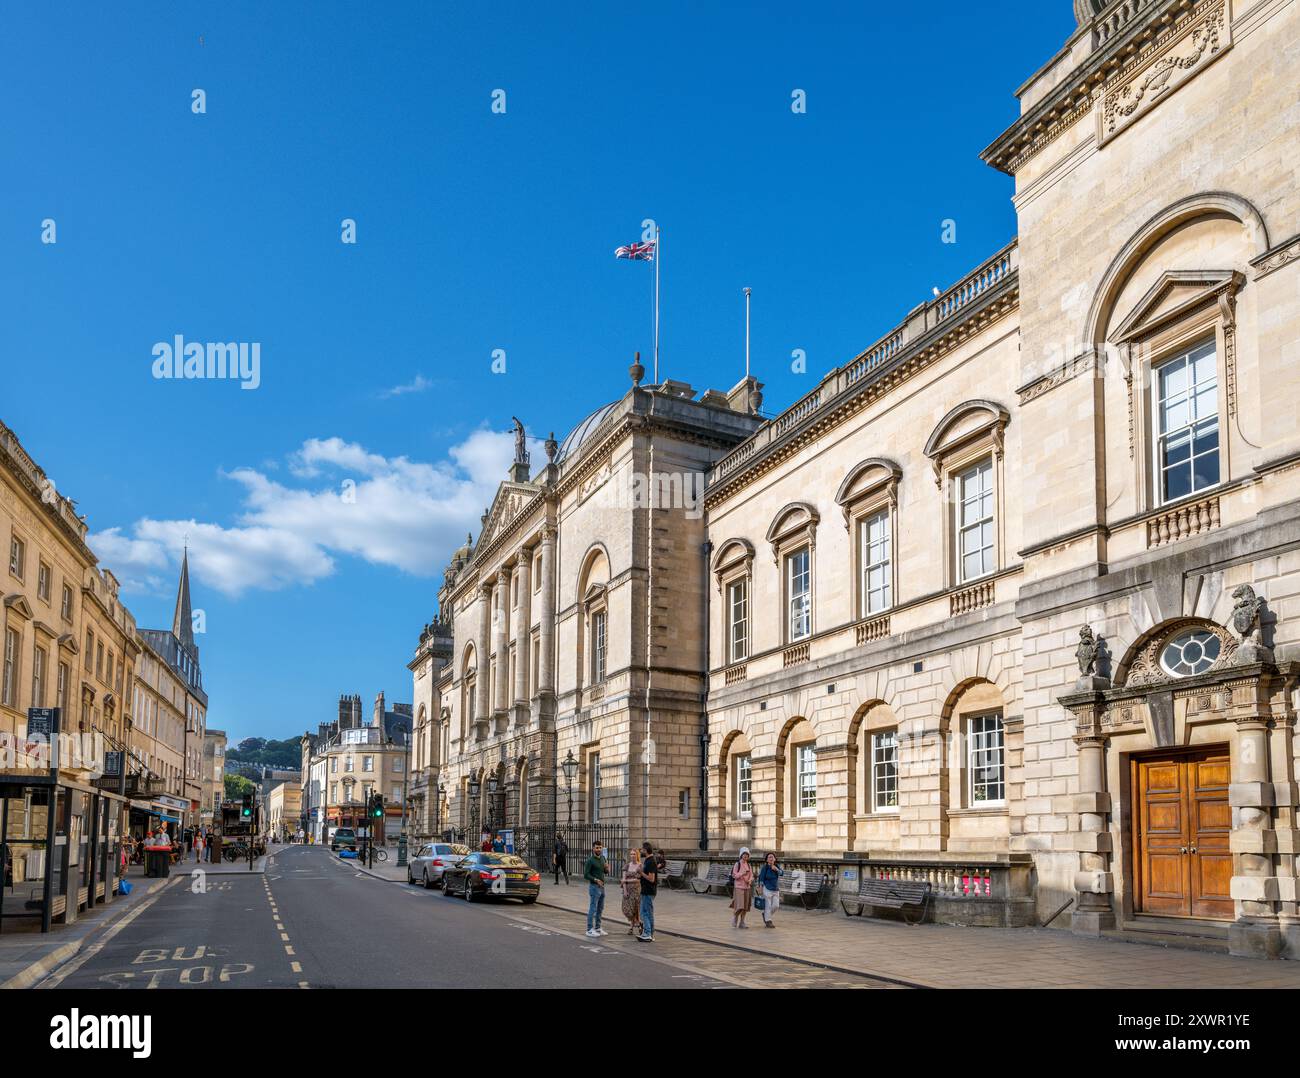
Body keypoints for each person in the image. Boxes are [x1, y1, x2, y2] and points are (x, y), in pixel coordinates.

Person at [583, 841, 608, 937]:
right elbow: (586, 875)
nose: (599, 849)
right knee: (593, 908)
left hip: (602, 887)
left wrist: (607, 869)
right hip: (594, 887)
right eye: (597, 848)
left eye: (600, 847)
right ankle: (589, 929)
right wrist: (595, 879)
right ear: (593, 849)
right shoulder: (590, 860)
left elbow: (605, 872)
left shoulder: (603, 858)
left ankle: (598, 927)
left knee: (600, 908)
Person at [636, 841, 657, 942]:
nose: (641, 851)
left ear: (646, 850)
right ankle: (650, 933)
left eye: (642, 849)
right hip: (645, 890)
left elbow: (651, 879)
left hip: (648, 891)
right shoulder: (647, 860)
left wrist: (641, 873)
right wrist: (640, 875)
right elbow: (645, 876)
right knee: (647, 912)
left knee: (645, 913)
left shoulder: (651, 861)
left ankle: (647, 933)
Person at [756, 851, 783, 928]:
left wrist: (776, 870)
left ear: (775, 859)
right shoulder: (765, 867)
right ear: (767, 860)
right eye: (769, 857)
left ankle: (765, 915)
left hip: (775, 889)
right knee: (767, 905)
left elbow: (782, 873)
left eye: (772, 857)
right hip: (767, 888)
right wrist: (760, 887)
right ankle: (768, 921)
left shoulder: (776, 866)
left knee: (776, 905)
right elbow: (761, 878)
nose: (771, 858)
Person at [620, 848, 642, 936]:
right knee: (627, 909)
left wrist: (627, 881)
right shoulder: (627, 866)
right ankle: (636, 924)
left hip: (637, 890)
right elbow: (623, 879)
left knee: (636, 909)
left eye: (634, 854)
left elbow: (638, 879)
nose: (632, 856)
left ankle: (633, 927)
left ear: (637, 855)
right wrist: (625, 890)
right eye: (631, 854)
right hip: (627, 890)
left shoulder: (640, 866)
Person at [731, 847, 754, 929]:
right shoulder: (737, 864)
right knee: (740, 905)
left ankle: (742, 922)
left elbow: (752, 875)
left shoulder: (748, 865)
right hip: (739, 887)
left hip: (747, 887)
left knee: (745, 906)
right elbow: (734, 875)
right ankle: (735, 917)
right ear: (741, 855)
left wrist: (750, 880)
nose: (745, 856)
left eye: (747, 855)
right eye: (744, 854)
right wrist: (742, 873)